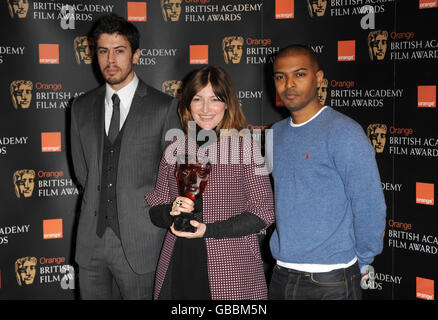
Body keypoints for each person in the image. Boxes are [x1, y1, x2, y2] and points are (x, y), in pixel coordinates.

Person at [70, 13, 180, 300]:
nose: (110, 60)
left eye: (119, 51)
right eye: (103, 51)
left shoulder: (164, 107)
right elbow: (83, 172)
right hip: (90, 243)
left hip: (142, 242)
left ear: (136, 55)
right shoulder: (80, 107)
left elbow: (174, 176)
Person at [267, 45, 386, 300]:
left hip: (331, 281)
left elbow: (369, 206)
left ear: (319, 78)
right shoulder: (274, 134)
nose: (288, 84)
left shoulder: (344, 132)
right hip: (281, 275)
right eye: (280, 76)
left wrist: (362, 260)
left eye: (299, 74)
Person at [145, 65, 275, 300]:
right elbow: (156, 208)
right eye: (197, 99)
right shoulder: (175, 149)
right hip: (179, 262)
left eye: (214, 99)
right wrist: (171, 212)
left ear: (227, 104)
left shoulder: (245, 147)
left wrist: (209, 230)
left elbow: (263, 211)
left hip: (231, 267)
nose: (205, 109)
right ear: (187, 105)